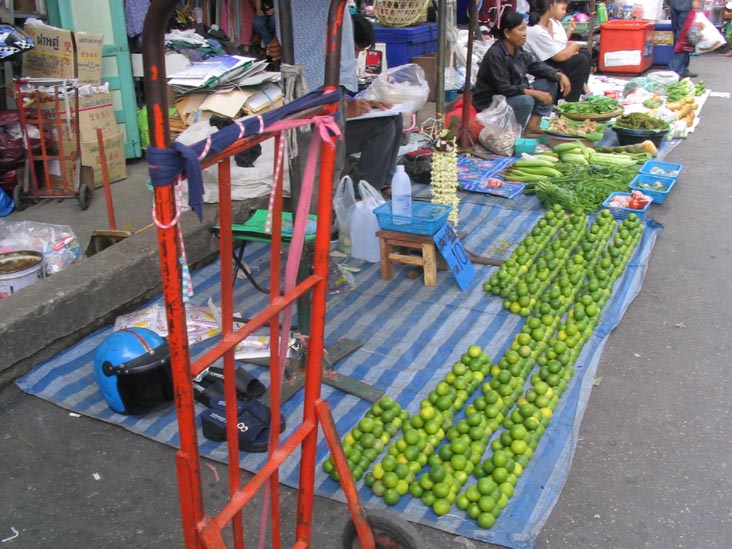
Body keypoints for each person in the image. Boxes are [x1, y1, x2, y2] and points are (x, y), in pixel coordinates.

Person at [268, 3, 402, 194]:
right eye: (353, 49)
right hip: (314, 118)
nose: (355, 56)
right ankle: (362, 193)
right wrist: (350, 107)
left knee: (392, 119)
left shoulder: (316, 43)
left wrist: (355, 105)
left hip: (325, 104)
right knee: (383, 127)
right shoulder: (312, 56)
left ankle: (381, 183)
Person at [473, 9, 571, 136]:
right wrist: (535, 93)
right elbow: (504, 89)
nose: (524, 34)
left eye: (525, 29)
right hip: (491, 103)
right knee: (526, 101)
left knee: (549, 82)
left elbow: (536, 65)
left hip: (512, 95)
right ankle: (510, 134)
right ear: (507, 33)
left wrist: (558, 74)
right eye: (520, 30)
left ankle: (533, 124)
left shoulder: (519, 50)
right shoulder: (495, 54)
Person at [524, 0, 591, 102]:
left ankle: (579, 91)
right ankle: (570, 102)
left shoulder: (548, 24)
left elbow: (556, 45)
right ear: (551, 6)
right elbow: (560, 56)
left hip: (544, 62)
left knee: (585, 54)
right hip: (536, 68)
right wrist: (573, 45)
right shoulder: (536, 30)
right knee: (580, 60)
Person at [668, 0, 702, 78]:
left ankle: (679, 69)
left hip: (681, 4)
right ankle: (678, 70)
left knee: (682, 36)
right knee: (682, 36)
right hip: (681, 4)